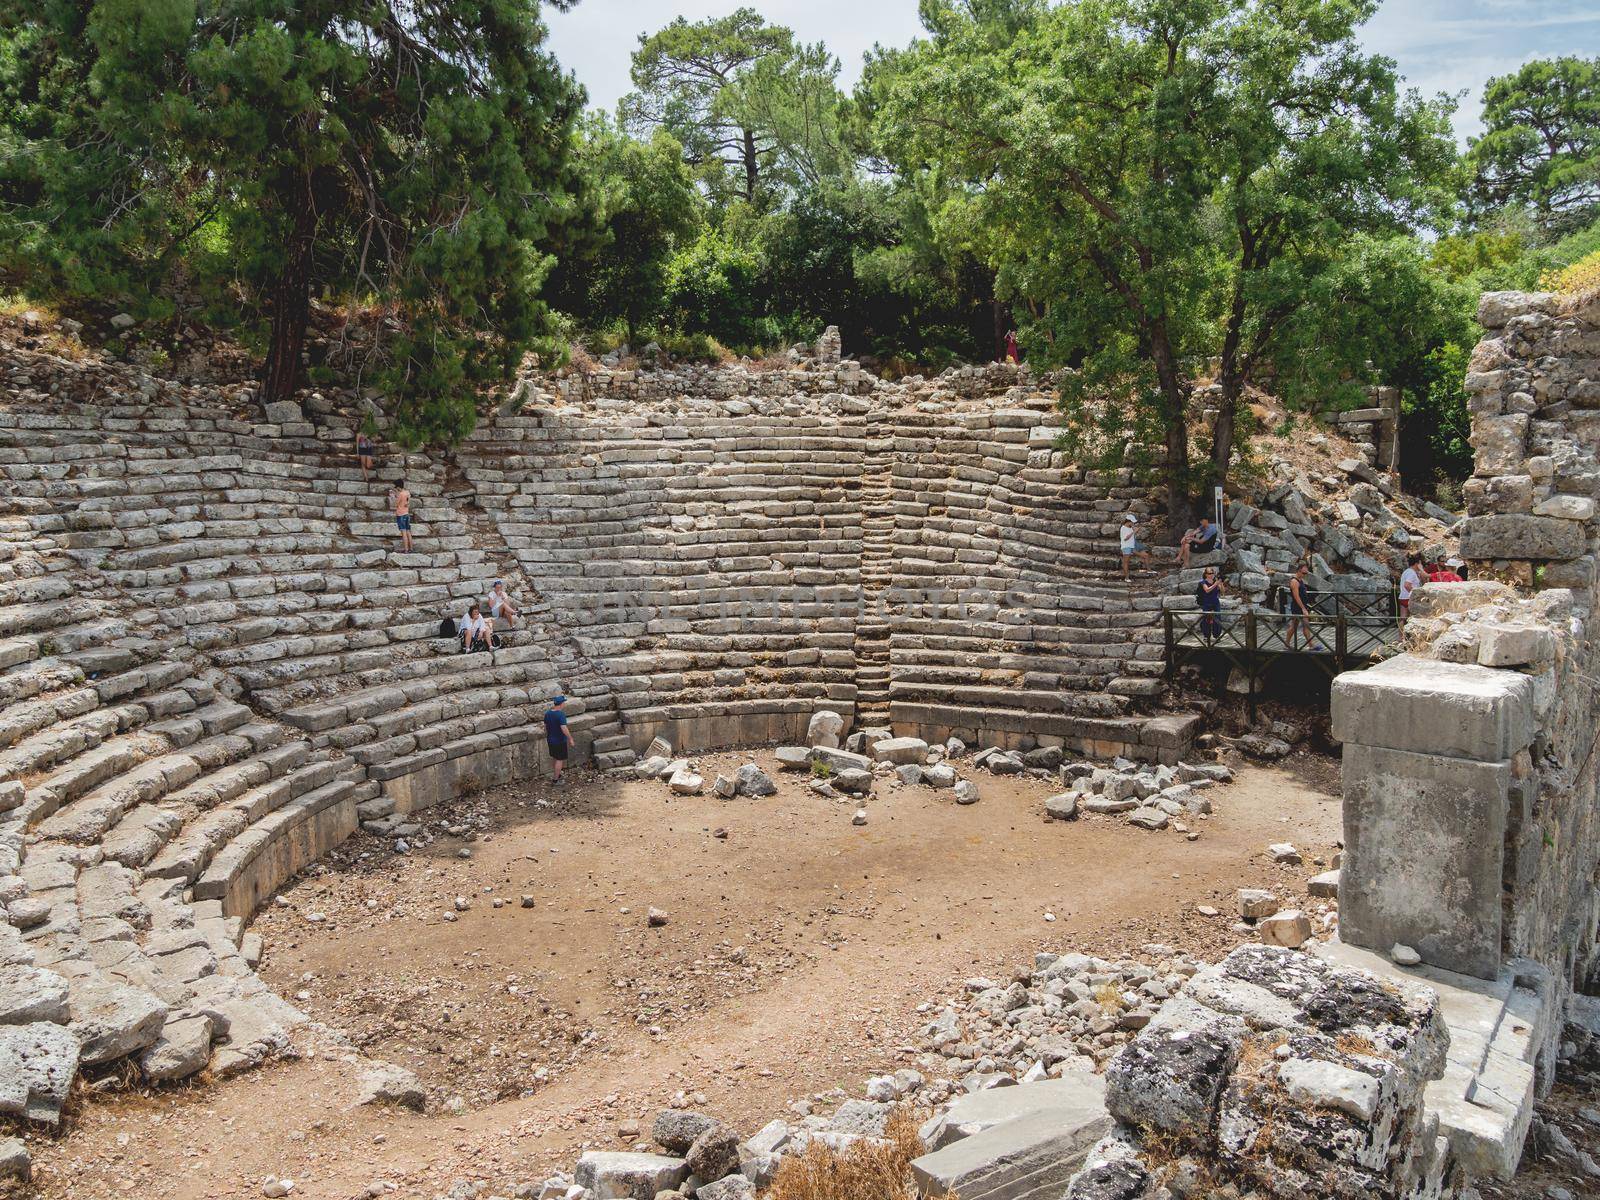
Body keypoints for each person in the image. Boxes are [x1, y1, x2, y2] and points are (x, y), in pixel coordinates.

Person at [1287, 563, 1323, 651]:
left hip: (1303, 606)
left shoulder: (1300, 580)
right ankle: (1287, 643)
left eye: (1305, 574)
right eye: (1303, 573)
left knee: (1305, 625)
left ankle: (1311, 645)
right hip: (1297, 607)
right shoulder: (1294, 581)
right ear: (1298, 571)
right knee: (1294, 626)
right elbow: (1296, 597)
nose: (1304, 575)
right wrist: (1303, 608)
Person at [543, 695, 573, 784]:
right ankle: (555, 780)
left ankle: (557, 774)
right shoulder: (560, 714)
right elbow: (564, 728)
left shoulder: (548, 713)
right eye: (564, 702)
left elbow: (545, 727)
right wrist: (570, 738)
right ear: (561, 704)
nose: (564, 704)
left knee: (555, 757)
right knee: (560, 759)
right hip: (559, 740)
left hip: (550, 740)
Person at [1196, 566, 1225, 642]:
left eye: (1213, 573)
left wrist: (1221, 583)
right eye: (1209, 573)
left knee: (1217, 618)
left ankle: (1216, 636)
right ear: (1206, 574)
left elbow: (1223, 591)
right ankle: (1206, 635)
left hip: (1215, 602)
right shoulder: (1203, 582)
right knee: (1206, 619)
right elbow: (1207, 590)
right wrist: (1216, 584)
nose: (1211, 575)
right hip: (1206, 602)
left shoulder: (1215, 581)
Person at [1119, 514, 1151, 581]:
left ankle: (1149, 570)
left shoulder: (1130, 527)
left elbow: (1132, 536)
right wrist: (1134, 532)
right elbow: (1125, 538)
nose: (1133, 523)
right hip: (1126, 547)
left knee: (1145, 555)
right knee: (1126, 562)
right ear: (1128, 521)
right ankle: (1127, 578)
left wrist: (1135, 530)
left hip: (1132, 546)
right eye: (1132, 522)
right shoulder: (1123, 528)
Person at [1398, 553, 1423, 625]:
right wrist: (1415, 593)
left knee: (1403, 617)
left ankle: (1401, 636)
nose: (1421, 566)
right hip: (1409, 598)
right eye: (1420, 564)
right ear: (1416, 564)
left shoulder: (1406, 571)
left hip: (1403, 597)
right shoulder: (1411, 573)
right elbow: (1407, 585)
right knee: (1412, 618)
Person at [389, 478, 412, 553]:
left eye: (396, 487)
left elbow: (396, 504)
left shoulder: (401, 494)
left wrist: (393, 497)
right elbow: (407, 502)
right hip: (407, 514)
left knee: (403, 532)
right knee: (408, 531)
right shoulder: (407, 492)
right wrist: (396, 494)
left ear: (398, 487)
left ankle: (406, 549)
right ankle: (411, 548)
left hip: (401, 514)